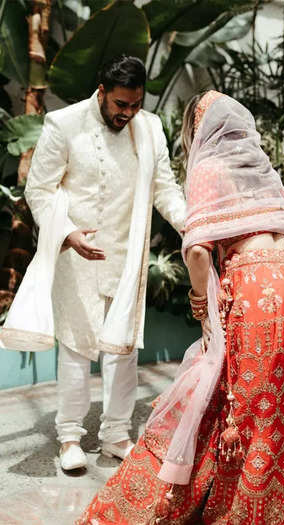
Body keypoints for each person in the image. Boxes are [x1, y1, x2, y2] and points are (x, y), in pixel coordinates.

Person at [77, 90, 284, 524]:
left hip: (256, 289)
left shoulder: (208, 169)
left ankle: (242, 505)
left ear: (197, 128)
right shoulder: (259, 166)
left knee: (244, 401)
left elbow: (198, 251)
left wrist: (203, 304)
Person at [15, 55, 186, 471]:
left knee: (122, 350)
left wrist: (192, 225)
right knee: (76, 349)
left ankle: (115, 434)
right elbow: (39, 190)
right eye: (120, 105)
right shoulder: (65, 124)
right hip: (77, 254)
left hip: (126, 258)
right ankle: (69, 437)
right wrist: (67, 233)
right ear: (102, 91)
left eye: (135, 105)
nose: (127, 114)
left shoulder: (149, 129)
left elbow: (165, 188)